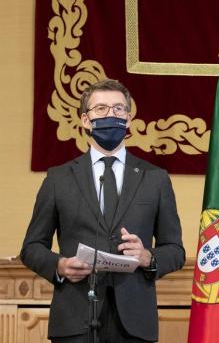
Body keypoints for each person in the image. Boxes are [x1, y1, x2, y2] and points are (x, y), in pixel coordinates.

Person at [21, 79, 185, 342]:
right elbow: (31, 248)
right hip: (75, 320)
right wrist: (60, 266)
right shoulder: (58, 179)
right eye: (101, 109)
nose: (111, 115)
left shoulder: (155, 179)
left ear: (129, 118)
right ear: (85, 120)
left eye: (119, 109)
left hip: (134, 324)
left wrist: (147, 257)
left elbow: (175, 250)